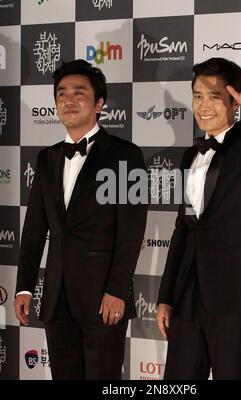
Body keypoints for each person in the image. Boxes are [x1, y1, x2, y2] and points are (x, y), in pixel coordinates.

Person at [156, 57, 241, 380]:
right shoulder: (190, 156)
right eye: (198, 95)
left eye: (215, 97)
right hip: (188, 292)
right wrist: (166, 297)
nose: (204, 105)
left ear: (235, 103)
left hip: (234, 293)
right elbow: (183, 229)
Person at [14, 59, 147, 380]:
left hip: (103, 297)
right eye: (61, 94)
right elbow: (34, 230)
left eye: (78, 93)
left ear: (99, 103)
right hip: (57, 298)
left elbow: (132, 230)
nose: (68, 100)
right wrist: (24, 288)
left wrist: (116, 289)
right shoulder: (46, 159)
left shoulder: (125, 154)